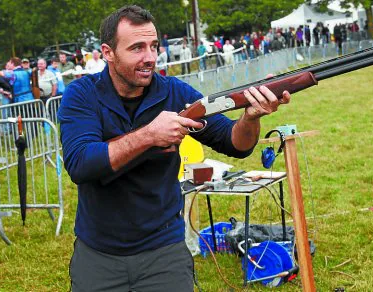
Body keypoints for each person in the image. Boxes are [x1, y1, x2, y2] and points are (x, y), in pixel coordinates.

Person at [58, 5, 290, 291]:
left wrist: (250, 117)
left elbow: (234, 143)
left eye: (154, 46)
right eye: (137, 48)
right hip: (99, 252)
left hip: (164, 249)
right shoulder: (81, 95)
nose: (150, 58)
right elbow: (81, 163)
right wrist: (149, 135)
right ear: (108, 53)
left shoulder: (174, 92)